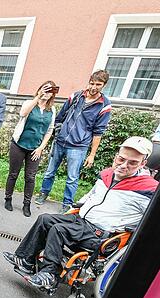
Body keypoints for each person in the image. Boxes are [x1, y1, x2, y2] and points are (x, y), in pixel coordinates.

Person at [5, 137, 158, 292]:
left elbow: (154, 218)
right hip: (81, 220)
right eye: (121, 159)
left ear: (143, 163)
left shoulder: (148, 188)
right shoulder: (106, 174)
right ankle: (25, 259)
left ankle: (49, 275)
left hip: (100, 233)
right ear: (116, 155)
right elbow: (90, 196)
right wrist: (75, 207)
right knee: (45, 219)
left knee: (59, 230)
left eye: (132, 162)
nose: (124, 165)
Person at [35, 70, 113, 213]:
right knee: (49, 172)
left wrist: (92, 155)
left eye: (98, 84)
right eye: (91, 83)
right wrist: (58, 132)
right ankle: (43, 193)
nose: (93, 87)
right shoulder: (76, 96)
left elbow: (98, 132)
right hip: (60, 142)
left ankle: (67, 202)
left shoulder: (104, 105)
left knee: (72, 177)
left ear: (104, 85)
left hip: (78, 146)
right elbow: (60, 117)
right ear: (88, 81)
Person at [4, 81, 58, 217]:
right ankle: (8, 198)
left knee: (30, 177)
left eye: (49, 91)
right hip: (19, 144)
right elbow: (23, 113)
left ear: (53, 94)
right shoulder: (29, 103)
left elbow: (49, 130)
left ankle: (27, 204)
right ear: (39, 89)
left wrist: (41, 148)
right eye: (44, 90)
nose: (46, 93)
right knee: (13, 174)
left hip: (35, 148)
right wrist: (37, 98)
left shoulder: (51, 109)